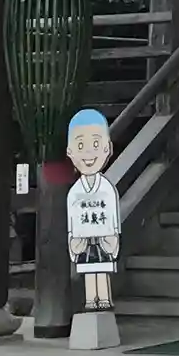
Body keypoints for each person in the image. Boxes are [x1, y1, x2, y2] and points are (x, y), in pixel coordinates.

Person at [64, 110, 120, 313]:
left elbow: (112, 216)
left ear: (107, 148)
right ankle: (90, 299)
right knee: (89, 269)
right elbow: (72, 220)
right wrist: (73, 240)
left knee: (102, 268)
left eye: (95, 144)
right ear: (70, 151)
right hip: (84, 240)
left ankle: (103, 298)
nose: (88, 153)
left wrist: (113, 237)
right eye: (80, 146)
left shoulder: (106, 189)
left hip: (104, 238)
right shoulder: (75, 192)